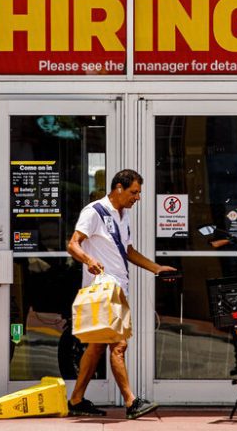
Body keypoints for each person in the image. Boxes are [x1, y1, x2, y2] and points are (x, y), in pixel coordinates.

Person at [65, 169, 177, 419]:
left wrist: (156, 268)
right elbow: (73, 243)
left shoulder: (123, 215)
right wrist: (88, 259)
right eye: (134, 192)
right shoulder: (93, 211)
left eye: (138, 193)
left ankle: (76, 400)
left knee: (96, 347)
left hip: (118, 290)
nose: (137, 197)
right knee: (119, 345)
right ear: (118, 188)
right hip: (102, 290)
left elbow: (127, 251)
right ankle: (131, 401)